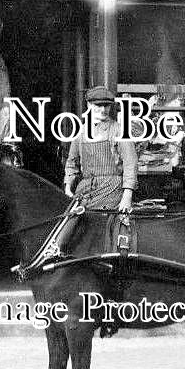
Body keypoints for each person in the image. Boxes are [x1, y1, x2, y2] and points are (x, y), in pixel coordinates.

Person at [42, 86, 138, 259]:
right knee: (70, 216)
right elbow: (72, 163)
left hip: (112, 187)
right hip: (86, 188)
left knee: (98, 222)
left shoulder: (118, 130)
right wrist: (68, 184)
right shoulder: (81, 133)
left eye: (106, 106)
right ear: (88, 105)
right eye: (97, 105)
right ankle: (57, 254)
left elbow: (130, 163)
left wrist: (127, 195)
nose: (102, 109)